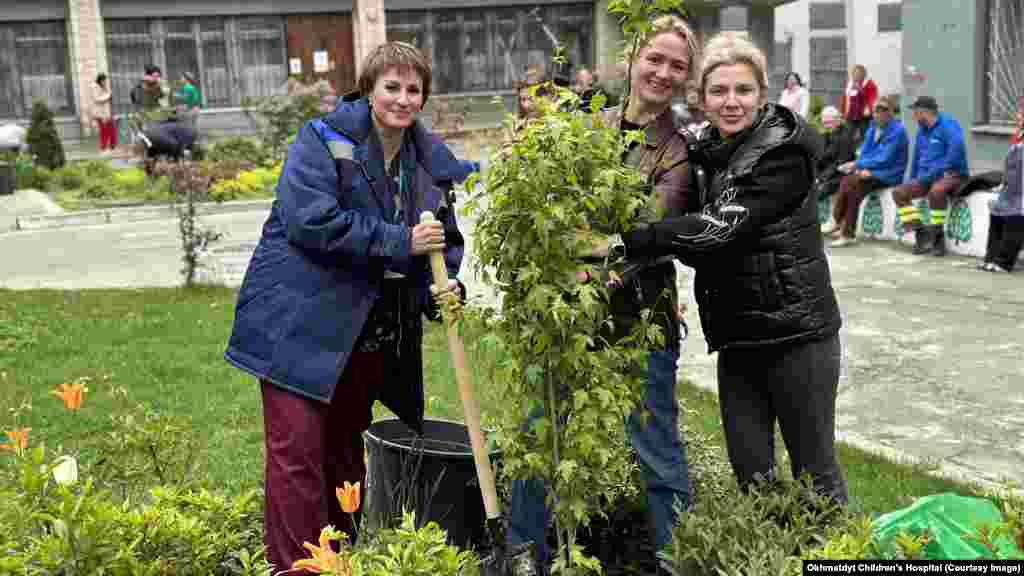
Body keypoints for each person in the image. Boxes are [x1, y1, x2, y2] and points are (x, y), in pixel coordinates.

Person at [223, 41, 472, 572]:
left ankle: (342, 558)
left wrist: (445, 287)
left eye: (413, 90)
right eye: (392, 87)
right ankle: (298, 569)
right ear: (369, 88)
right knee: (297, 458)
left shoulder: (427, 163)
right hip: (296, 323)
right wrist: (400, 240)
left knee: (341, 458)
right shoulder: (322, 140)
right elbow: (309, 221)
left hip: (363, 335)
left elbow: (441, 245)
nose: (402, 99)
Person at [589, 32, 847, 506]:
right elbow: (690, 236)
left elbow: (719, 229)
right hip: (739, 338)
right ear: (702, 98)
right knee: (753, 477)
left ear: (762, 94)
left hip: (797, 336)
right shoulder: (706, 154)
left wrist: (629, 240)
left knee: (815, 476)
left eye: (744, 91)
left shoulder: (784, 154)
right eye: (719, 91)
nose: (732, 102)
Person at [509, 15, 695, 573]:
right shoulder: (588, 125)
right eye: (654, 59)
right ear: (633, 57)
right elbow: (542, 207)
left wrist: (582, 247)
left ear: (686, 78)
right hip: (567, 317)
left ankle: (673, 560)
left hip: (640, 320)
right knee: (540, 437)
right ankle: (525, 556)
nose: (662, 72)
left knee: (655, 449)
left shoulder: (678, 154)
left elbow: (648, 232)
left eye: (677, 66)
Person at [892, 95, 969, 256]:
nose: (913, 116)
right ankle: (921, 233)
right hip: (926, 176)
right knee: (899, 192)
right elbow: (917, 156)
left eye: (915, 112)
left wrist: (940, 171)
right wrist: (913, 177)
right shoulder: (922, 131)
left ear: (924, 113)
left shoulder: (948, 125)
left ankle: (937, 239)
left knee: (936, 191)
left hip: (951, 173)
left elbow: (957, 150)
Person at [829, 95, 909, 247]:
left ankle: (843, 229)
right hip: (872, 171)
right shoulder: (872, 128)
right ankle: (841, 226)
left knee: (853, 184)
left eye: (883, 110)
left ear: (891, 112)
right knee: (849, 182)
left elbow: (884, 159)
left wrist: (861, 167)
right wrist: (859, 167)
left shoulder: (898, 132)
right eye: (876, 110)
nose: (878, 113)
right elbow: (866, 152)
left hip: (889, 174)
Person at [979, 95, 1024, 273]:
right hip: (1013, 186)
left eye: (1022, 113)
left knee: (1015, 214)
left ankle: (1005, 262)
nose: (1018, 116)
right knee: (997, 212)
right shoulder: (1018, 135)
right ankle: (991, 257)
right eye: (1019, 112)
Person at [815, 106, 859, 236]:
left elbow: (840, 164)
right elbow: (820, 159)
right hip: (828, 174)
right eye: (824, 123)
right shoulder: (826, 135)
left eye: (829, 122)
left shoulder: (845, 136)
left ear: (838, 120)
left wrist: (821, 178)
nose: (827, 125)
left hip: (841, 174)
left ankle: (833, 221)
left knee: (820, 190)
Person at [840, 64, 877, 143]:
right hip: (850, 116)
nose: (855, 76)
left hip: (864, 117)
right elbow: (845, 99)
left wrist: (860, 89)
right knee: (847, 136)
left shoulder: (870, 84)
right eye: (854, 74)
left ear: (863, 75)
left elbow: (872, 99)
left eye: (858, 74)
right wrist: (842, 112)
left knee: (865, 136)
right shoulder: (850, 84)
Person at [92, 73, 116, 153]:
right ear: (100, 80)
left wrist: (107, 91)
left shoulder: (104, 87)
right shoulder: (95, 87)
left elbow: (109, 95)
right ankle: (104, 148)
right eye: (104, 80)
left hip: (107, 113)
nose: (105, 82)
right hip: (100, 114)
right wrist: (108, 96)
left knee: (111, 129)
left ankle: (112, 147)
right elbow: (97, 99)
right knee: (104, 131)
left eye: (106, 80)